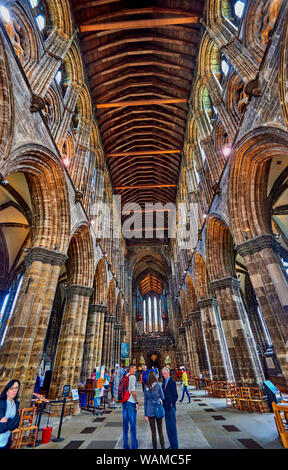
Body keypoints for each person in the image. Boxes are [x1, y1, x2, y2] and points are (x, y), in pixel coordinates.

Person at [144, 371, 165, 450]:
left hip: (150, 410)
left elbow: (145, 401)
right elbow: (163, 397)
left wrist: (146, 414)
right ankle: (163, 447)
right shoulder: (158, 385)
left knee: (153, 432)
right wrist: (159, 399)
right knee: (160, 431)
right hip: (158, 409)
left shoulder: (146, 386)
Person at [0, 380, 21, 449]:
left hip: (7, 439)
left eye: (16, 388)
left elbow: (17, 423)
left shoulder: (16, 403)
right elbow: (1, 428)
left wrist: (7, 422)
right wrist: (12, 422)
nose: (14, 390)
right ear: (7, 390)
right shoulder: (1, 403)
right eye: (12, 388)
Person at [122, 364, 139, 449]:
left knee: (125, 425)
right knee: (133, 425)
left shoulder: (125, 375)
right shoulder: (132, 377)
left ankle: (125, 445)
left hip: (124, 402)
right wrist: (136, 402)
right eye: (135, 368)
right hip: (130, 402)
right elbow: (133, 391)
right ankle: (134, 445)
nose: (135, 370)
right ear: (131, 369)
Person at [162, 367, 178, 449]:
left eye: (164, 373)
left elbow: (175, 395)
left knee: (173, 427)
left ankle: (175, 446)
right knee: (168, 428)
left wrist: (171, 404)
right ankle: (171, 445)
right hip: (165, 408)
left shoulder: (172, 382)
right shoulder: (164, 381)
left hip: (170, 408)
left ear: (168, 373)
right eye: (163, 373)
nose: (163, 375)